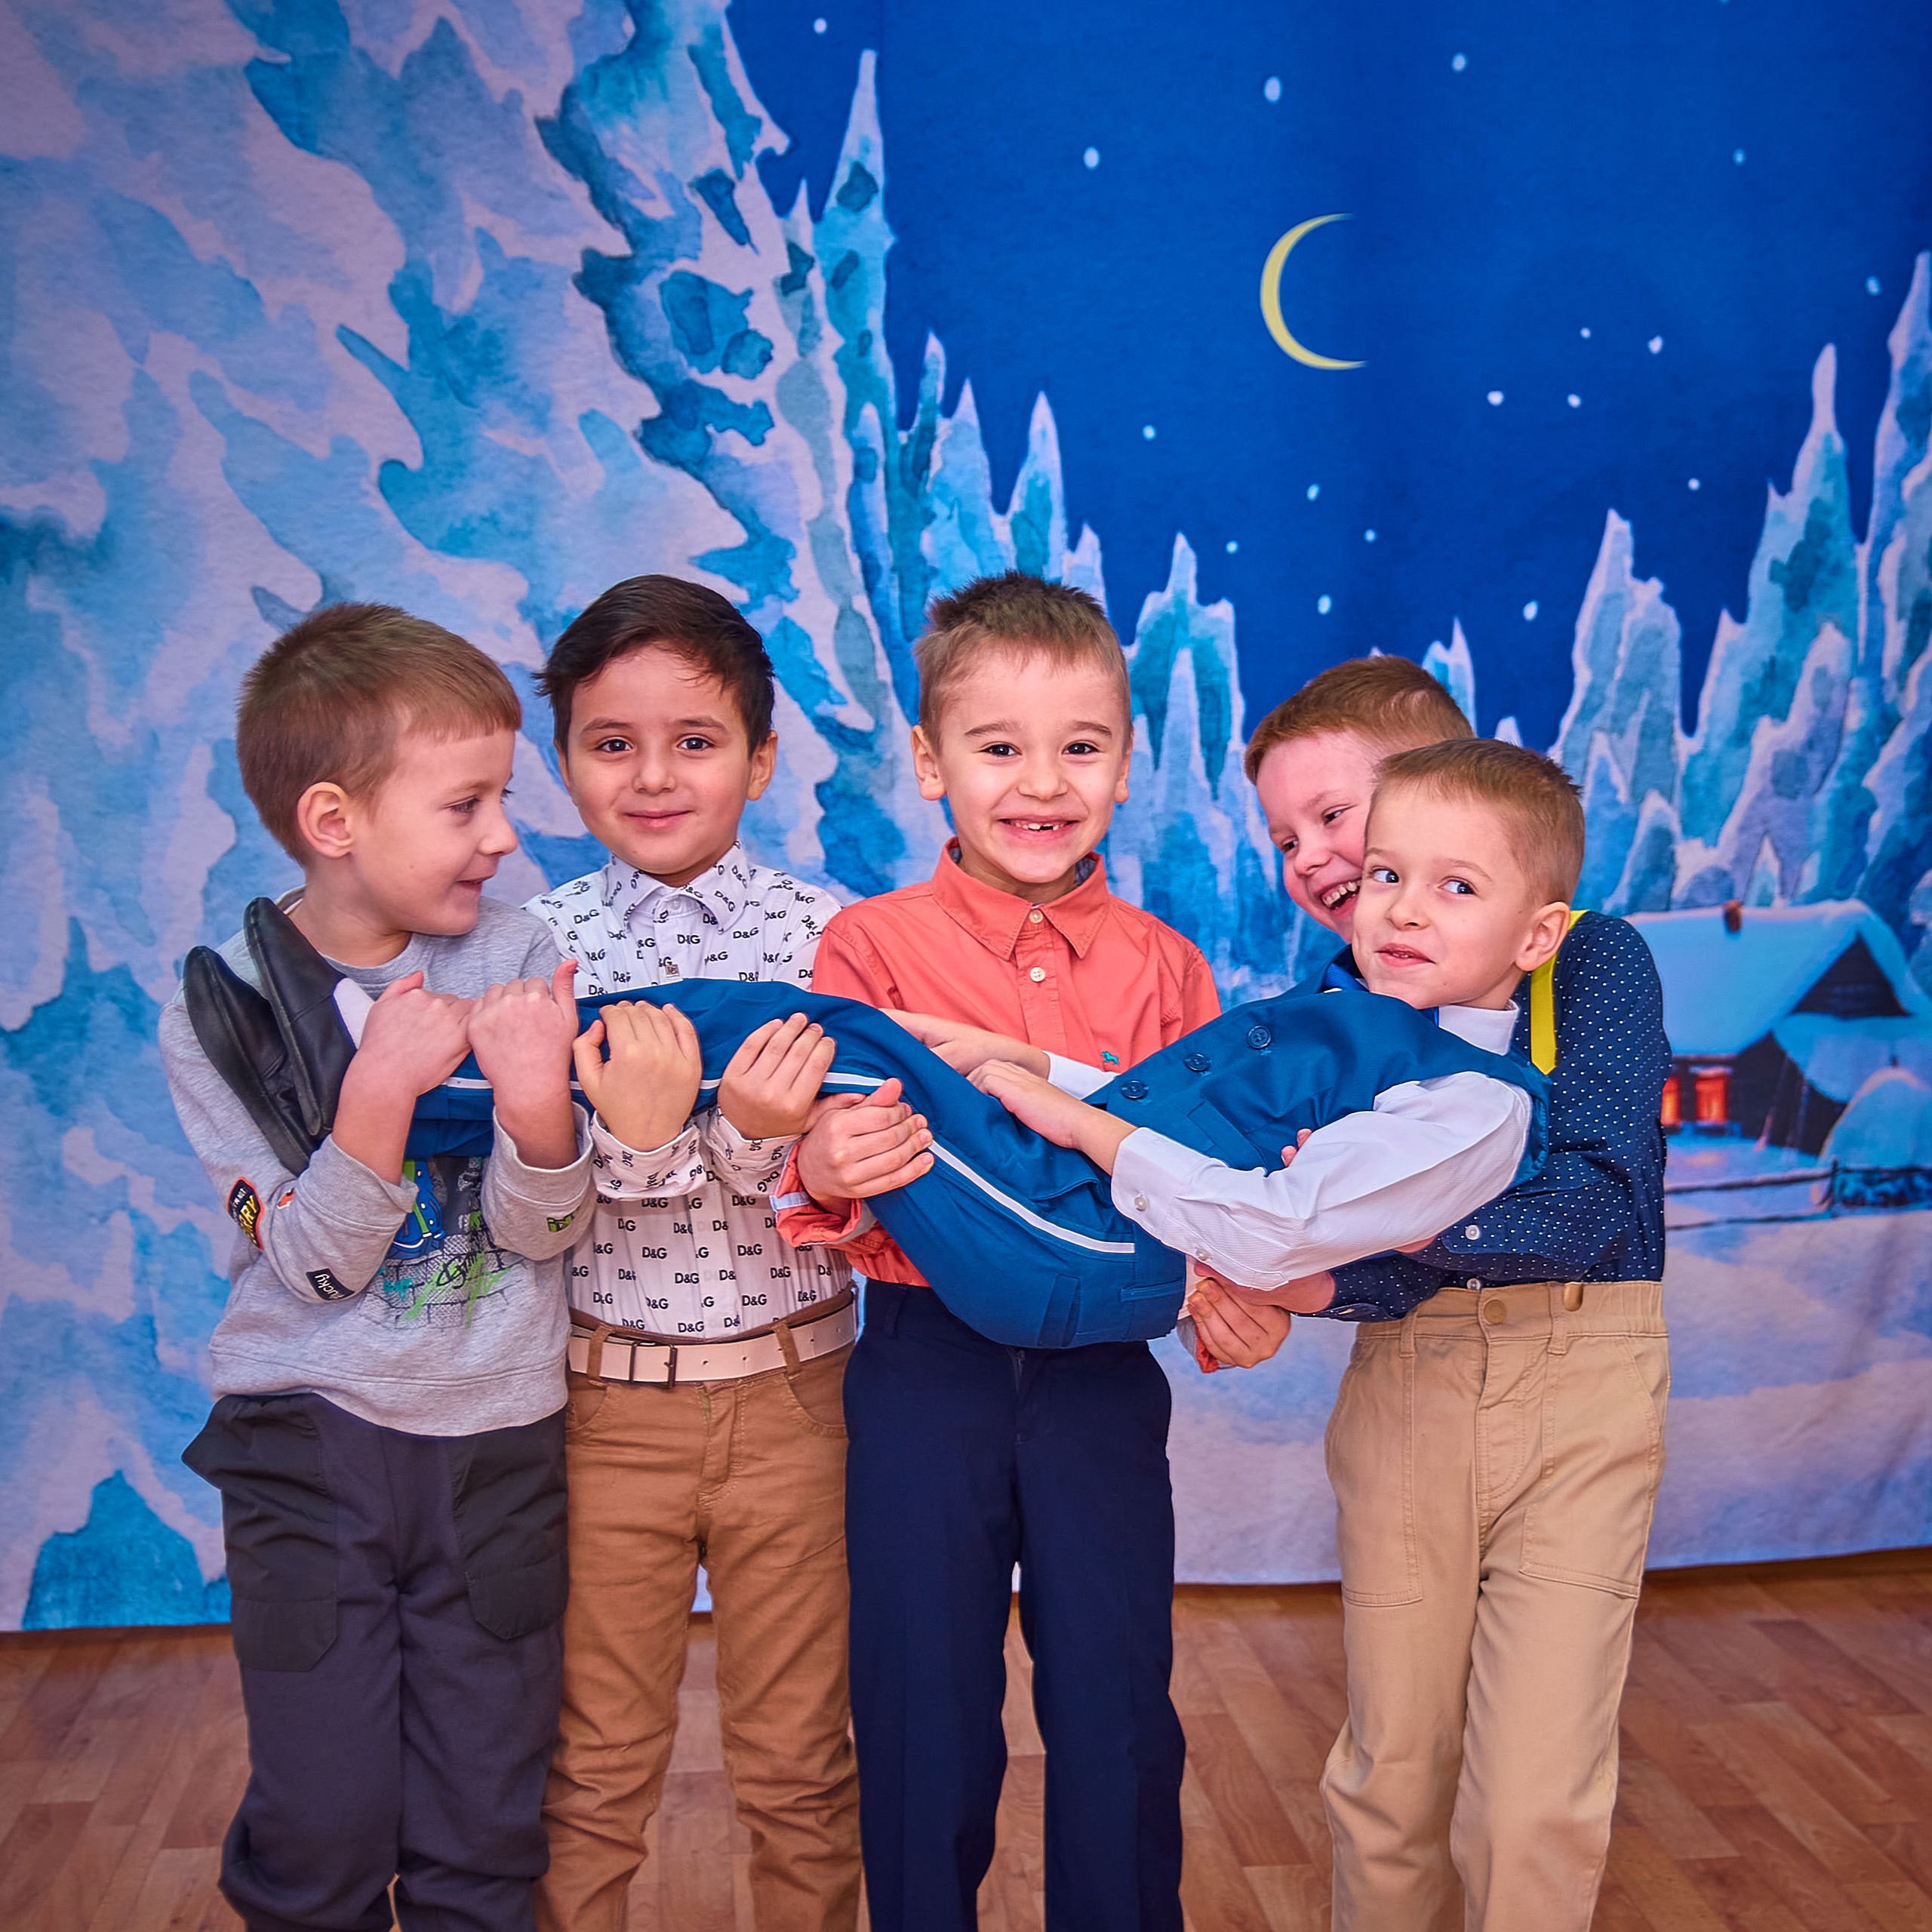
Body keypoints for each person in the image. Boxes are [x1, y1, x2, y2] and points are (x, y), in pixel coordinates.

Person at [1192, 665, 1673, 1932]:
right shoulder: (1339, 1010)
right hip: (1410, 1395)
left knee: (1530, 1800)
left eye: (1339, 818)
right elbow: (1326, 1237)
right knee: (1392, 1773)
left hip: (1583, 1383)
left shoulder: (1595, 962)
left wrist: (1368, 1234)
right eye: (1288, 839)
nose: (1318, 861)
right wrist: (1289, 1275)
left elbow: (1597, 1200)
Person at [775, 572, 1219, 1932]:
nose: (1042, 781)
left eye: (1081, 746)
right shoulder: (866, 951)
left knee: (1115, 1706)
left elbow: (1197, 1178)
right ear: (928, 762)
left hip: (1098, 1381)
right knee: (923, 1709)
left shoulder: (1167, 971)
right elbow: (819, 1164)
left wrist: (1224, 1279)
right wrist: (825, 1172)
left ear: (1127, 762)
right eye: (998, 745)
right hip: (926, 1375)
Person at [164, 604, 594, 1932]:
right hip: (312, 1451)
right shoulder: (218, 1004)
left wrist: (536, 1116)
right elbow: (307, 1266)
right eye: (466, 805)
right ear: (335, 820)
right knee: (326, 1816)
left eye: (503, 798)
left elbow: (544, 1234)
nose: (505, 836)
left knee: (487, 1811)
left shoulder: (520, 953)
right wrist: (379, 1101)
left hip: (498, 1449)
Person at [524, 577, 860, 1932]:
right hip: (604, 1405)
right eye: (613, 743)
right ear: (566, 763)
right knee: (599, 1760)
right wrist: (668, 1143)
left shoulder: (832, 938)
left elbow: (858, 1178)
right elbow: (533, 1192)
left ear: (762, 758)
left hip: (801, 1403)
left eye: (697, 740)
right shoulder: (540, 952)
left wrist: (753, 1143)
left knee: (798, 1762)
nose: (654, 775)